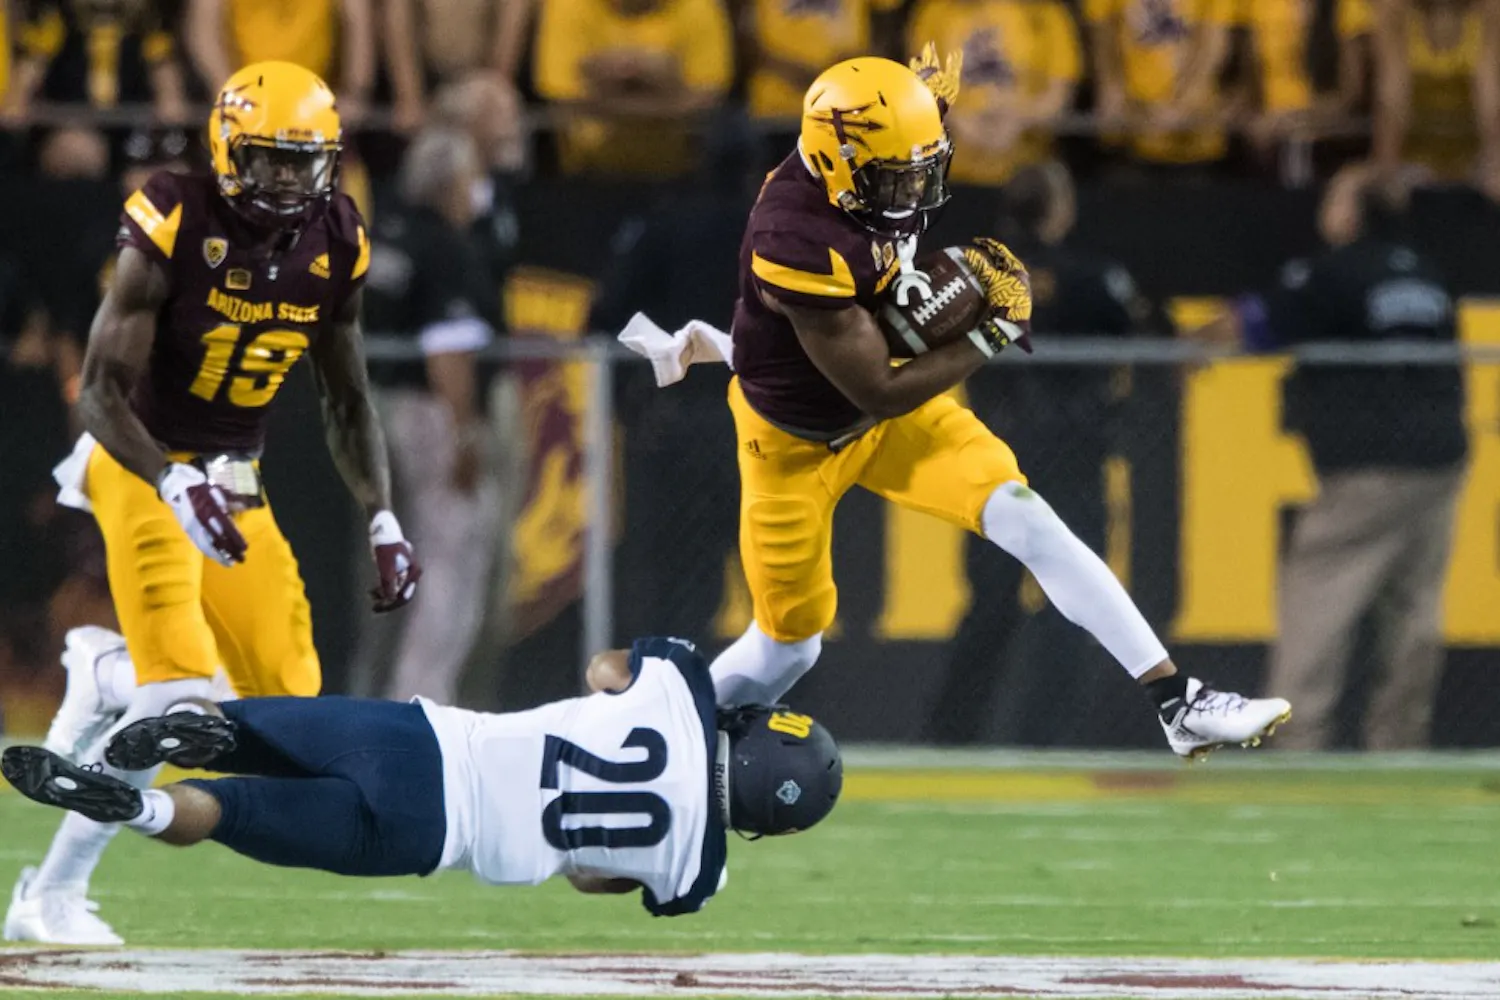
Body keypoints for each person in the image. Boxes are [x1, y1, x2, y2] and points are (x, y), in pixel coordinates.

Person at [633, 49, 1290, 758]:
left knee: (1026, 517)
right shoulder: (795, 239)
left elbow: (896, 130)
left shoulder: (866, 150)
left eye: (923, 167)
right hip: (796, 439)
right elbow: (876, 391)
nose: (914, 190)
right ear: (836, 164)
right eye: (897, 176)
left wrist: (928, 99)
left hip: (885, 409)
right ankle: (645, 736)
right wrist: (996, 330)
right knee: (788, 648)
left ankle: (1176, 701)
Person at [4, 60, 421, 947]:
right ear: (230, 149)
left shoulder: (337, 236)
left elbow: (347, 397)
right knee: (181, 691)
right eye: (270, 160)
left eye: (304, 162)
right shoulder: (175, 214)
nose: (288, 180)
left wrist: (382, 513)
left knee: (288, 706)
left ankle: (106, 675)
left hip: (234, 475)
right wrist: (171, 479)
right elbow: (97, 391)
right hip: (141, 458)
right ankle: (51, 893)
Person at [2, 637, 842, 915]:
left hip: (425, 741)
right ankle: (141, 808)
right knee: (224, 814)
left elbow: (602, 668)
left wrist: (688, 698)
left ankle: (189, 727)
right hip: (434, 836)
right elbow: (591, 878)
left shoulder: (679, 685)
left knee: (236, 729)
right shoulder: (697, 874)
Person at [924, 162, 1153, 745]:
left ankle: (953, 736)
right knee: (1074, 601)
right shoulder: (1091, 276)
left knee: (990, 601)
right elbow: (1146, 332)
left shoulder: (972, 276)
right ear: (1058, 210)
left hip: (995, 455)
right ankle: (1048, 737)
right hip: (1074, 454)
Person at [1256, 165, 1466, 749]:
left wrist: (1186, 349)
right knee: (1414, 610)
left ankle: (1299, 744)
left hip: (1366, 469)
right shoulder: (1428, 274)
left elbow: (1260, 325)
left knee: (1317, 601)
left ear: (1351, 214)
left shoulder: (1331, 272)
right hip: (1439, 463)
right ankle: (1398, 747)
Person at [362, 127, 502, 704]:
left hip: (373, 410)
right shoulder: (446, 245)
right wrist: (465, 432)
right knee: (449, 556)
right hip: (426, 413)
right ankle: (422, 703)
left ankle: (376, 692)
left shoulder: (384, 234)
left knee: (390, 561)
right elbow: (447, 351)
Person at [1369, 0, 1500, 199]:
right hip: (1414, 157)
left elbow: (1490, 99)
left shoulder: (1491, 9)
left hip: (1473, 157)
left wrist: (1495, 165)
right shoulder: (1394, 12)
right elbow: (1392, 99)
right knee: (1348, 195)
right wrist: (1388, 172)